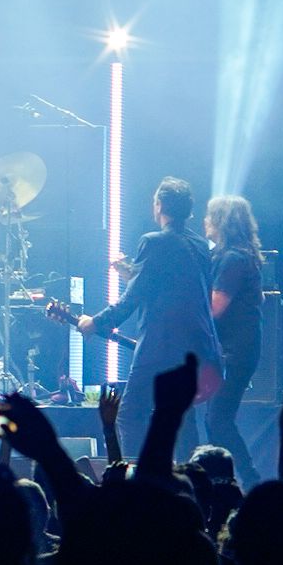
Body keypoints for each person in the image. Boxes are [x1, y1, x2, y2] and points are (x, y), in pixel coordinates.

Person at [78, 177, 222, 458]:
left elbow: (133, 298)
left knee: (130, 416)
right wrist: (132, 275)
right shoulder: (200, 245)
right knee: (183, 420)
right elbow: (176, 288)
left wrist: (96, 322)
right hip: (196, 347)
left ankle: (136, 480)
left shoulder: (153, 242)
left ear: (159, 206)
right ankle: (192, 481)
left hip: (161, 345)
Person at [202, 195, 265, 483]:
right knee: (216, 421)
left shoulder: (233, 259)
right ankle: (224, 483)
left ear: (221, 222)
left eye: (209, 216)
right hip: (233, 349)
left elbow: (215, 308)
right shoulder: (229, 256)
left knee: (218, 421)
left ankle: (247, 482)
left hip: (235, 351)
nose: (204, 221)